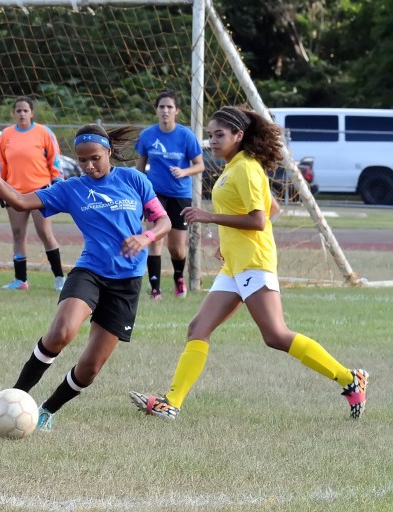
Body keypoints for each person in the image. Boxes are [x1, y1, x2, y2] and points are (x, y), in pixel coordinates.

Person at [129, 105, 369, 421]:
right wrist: (228, 242)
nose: (212, 141)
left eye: (219, 135)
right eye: (210, 135)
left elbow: (258, 221)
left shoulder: (246, 168)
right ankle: (171, 402)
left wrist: (209, 216)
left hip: (255, 263)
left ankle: (350, 379)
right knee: (198, 328)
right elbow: (272, 209)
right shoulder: (234, 166)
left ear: (238, 136)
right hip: (235, 265)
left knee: (275, 335)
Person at [0, 124, 171, 431]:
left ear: (108, 152)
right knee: (61, 333)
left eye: (94, 158)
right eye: (82, 160)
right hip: (90, 271)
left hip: (127, 283)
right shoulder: (71, 188)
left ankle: (47, 411)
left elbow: (163, 221)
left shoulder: (134, 179)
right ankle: (12, 399)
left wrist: (146, 237)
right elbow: (21, 201)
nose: (89, 166)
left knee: (90, 368)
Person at [135, 89, 204, 300]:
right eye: (162, 107)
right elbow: (139, 169)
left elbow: (200, 165)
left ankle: (178, 278)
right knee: (154, 238)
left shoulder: (186, 136)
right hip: (155, 194)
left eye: (169, 107)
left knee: (176, 248)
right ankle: (155, 288)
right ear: (156, 110)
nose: (165, 111)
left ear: (177, 111)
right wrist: (137, 193)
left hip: (180, 195)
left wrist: (184, 171)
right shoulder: (147, 135)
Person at [0, 96, 67, 291]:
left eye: (25, 110)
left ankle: (60, 277)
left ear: (32, 113)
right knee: (18, 234)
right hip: (14, 193)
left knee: (45, 233)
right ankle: (20, 280)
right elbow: (2, 165)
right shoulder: (6, 135)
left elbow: (55, 161)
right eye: (18, 110)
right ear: (14, 113)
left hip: (40, 192)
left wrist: (57, 185)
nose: (22, 114)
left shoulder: (44, 133)